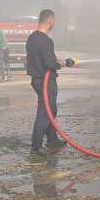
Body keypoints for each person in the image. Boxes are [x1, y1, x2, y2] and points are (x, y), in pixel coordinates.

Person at [26, 9, 66, 154]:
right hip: (46, 82)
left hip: (36, 80)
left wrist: (54, 59)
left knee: (51, 110)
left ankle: (52, 139)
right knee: (45, 113)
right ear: (50, 21)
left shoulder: (32, 38)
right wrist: (60, 64)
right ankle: (36, 147)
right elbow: (49, 64)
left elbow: (40, 56)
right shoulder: (46, 40)